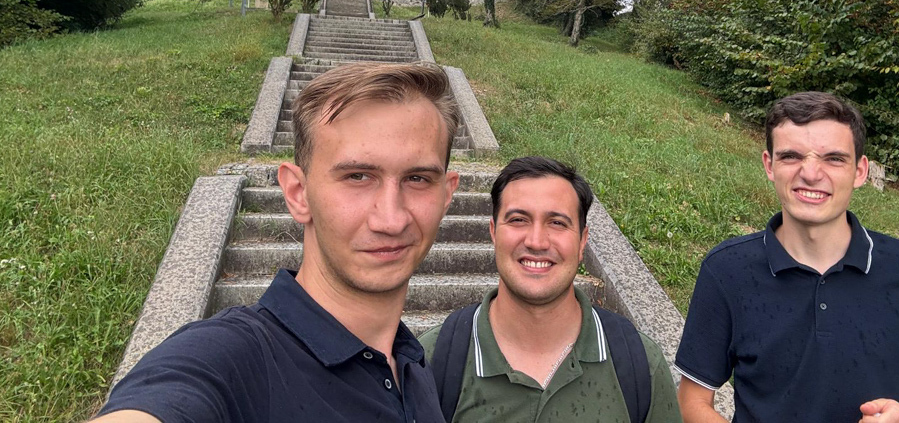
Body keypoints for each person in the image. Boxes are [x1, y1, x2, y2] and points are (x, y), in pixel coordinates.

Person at [93, 62, 462, 422]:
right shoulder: (231, 359)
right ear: (298, 193)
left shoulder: (413, 364)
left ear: (446, 195)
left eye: (417, 179)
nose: (392, 219)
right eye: (358, 176)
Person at [676, 91, 899, 423]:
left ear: (860, 171)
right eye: (791, 156)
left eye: (833, 159)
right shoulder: (727, 270)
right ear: (769, 165)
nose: (811, 173)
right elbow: (692, 400)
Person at [420, 156, 683, 423]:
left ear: (582, 241)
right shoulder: (429, 361)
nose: (536, 241)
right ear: (493, 232)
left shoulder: (641, 364)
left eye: (557, 223)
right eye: (518, 219)